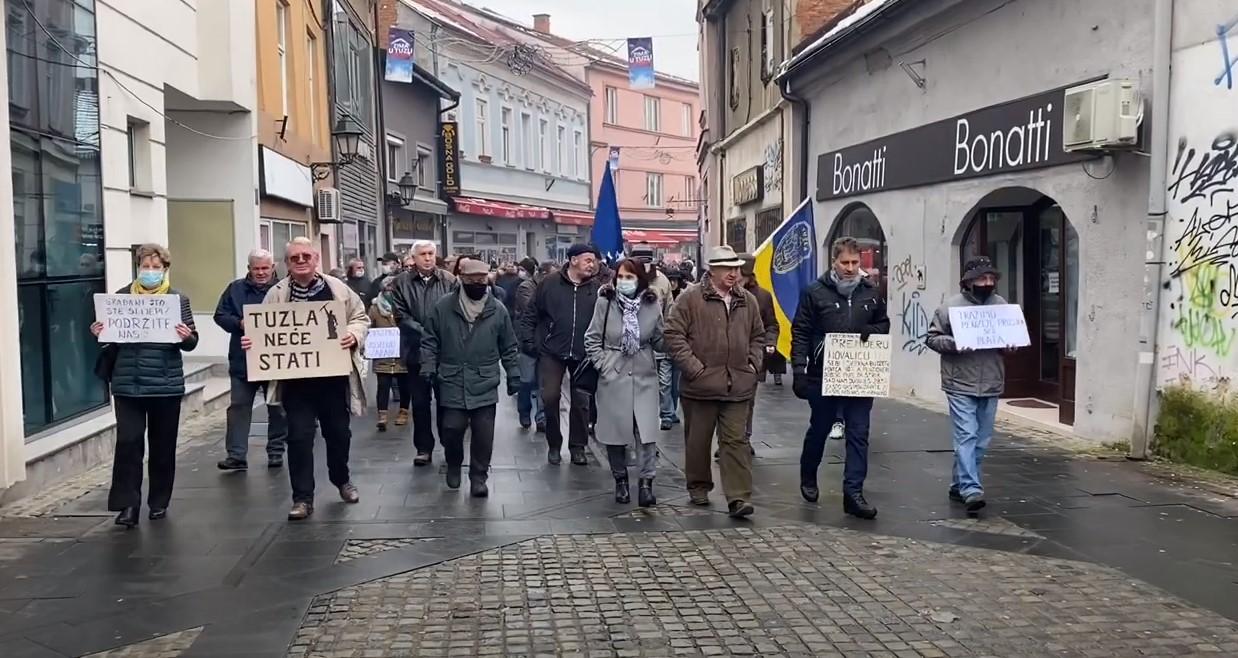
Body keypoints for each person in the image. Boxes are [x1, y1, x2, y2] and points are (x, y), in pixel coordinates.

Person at [244, 237, 370, 521]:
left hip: (333, 379)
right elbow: (263, 331)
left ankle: (342, 479)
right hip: (296, 383)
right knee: (299, 438)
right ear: (286, 264)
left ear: (316, 259)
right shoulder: (276, 294)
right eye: (294, 258)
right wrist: (254, 343)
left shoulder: (338, 289)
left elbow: (360, 317)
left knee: (338, 434)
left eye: (305, 256)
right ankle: (302, 498)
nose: (301, 261)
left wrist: (354, 334)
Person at [91, 243, 198, 528]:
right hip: (128, 385)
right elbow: (109, 338)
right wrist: (99, 332)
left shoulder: (177, 300)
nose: (149, 272)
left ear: (164, 270)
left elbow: (191, 342)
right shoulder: (122, 298)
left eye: (155, 267)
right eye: (145, 266)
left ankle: (159, 501)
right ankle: (127, 505)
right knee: (128, 443)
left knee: (162, 446)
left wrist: (186, 336)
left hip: (165, 385)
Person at [791, 238, 890, 519]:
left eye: (855, 262)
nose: (850, 268)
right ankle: (808, 474)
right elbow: (801, 331)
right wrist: (799, 369)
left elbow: (883, 323)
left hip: (860, 375)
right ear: (834, 261)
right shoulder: (815, 292)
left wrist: (872, 330)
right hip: (823, 374)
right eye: (844, 262)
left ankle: (853, 493)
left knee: (859, 433)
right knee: (820, 428)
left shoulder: (871, 291)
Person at [664, 245, 765, 518]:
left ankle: (738, 498)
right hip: (700, 386)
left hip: (738, 384)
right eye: (727, 268)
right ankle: (698, 487)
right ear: (712, 270)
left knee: (736, 442)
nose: (734, 273)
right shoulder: (690, 299)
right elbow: (673, 335)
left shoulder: (747, 300)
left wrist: (753, 365)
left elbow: (758, 335)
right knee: (698, 441)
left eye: (736, 268)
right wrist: (694, 369)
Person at [420, 258, 520, 497]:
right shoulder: (443, 307)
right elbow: (430, 340)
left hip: (484, 379)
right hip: (452, 378)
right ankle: (453, 463)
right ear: (462, 280)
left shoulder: (497, 310)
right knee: (451, 429)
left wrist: (514, 374)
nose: (478, 284)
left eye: (482, 280)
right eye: (472, 280)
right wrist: (428, 366)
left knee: (483, 435)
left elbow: (509, 345)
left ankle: (478, 477)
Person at [927, 256, 1017, 512]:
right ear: (968, 282)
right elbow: (932, 339)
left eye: (990, 278)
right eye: (981, 278)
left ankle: (959, 484)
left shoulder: (1000, 305)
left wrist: (1009, 345)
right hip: (960, 381)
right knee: (966, 434)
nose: (987, 283)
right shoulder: (949, 308)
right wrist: (955, 343)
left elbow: (1008, 340)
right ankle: (971, 488)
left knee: (982, 439)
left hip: (990, 380)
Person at [585, 259, 664, 507]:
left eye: (629, 277)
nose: (623, 282)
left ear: (639, 279)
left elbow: (660, 340)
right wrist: (603, 365)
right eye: (620, 277)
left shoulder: (652, 304)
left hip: (644, 374)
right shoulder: (605, 302)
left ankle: (646, 484)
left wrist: (673, 337)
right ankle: (620, 481)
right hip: (614, 374)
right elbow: (592, 338)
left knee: (647, 433)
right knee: (615, 432)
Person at [520, 244, 601, 465]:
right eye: (587, 260)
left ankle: (578, 446)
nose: (591, 264)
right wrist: (530, 343)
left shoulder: (596, 289)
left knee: (581, 401)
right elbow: (531, 314)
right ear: (573, 260)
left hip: (584, 354)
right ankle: (554, 443)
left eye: (593, 261)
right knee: (550, 397)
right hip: (552, 352)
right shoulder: (550, 283)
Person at [214, 249, 287, 471]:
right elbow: (220, 315)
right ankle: (236, 455)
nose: (261, 273)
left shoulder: (284, 289)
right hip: (242, 360)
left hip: (275, 360)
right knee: (238, 406)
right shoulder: (234, 289)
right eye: (256, 268)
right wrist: (239, 324)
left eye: (265, 268)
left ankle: (276, 452)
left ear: (272, 267)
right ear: (249, 269)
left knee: (277, 407)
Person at [390, 240, 457, 466]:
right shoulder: (401, 283)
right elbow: (401, 316)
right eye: (422, 254)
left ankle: (448, 445)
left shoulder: (449, 280)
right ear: (413, 258)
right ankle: (423, 448)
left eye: (431, 253)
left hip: (444, 353)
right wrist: (428, 333)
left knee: (445, 402)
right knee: (420, 403)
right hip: (415, 352)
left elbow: (457, 312)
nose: (427, 258)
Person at [629, 244, 678, 432]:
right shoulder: (625, 279)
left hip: (657, 341)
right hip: (630, 346)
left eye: (647, 263)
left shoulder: (662, 281)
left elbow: (669, 310)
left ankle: (666, 414)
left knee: (664, 381)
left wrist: (667, 336)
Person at [739, 253, 779, 445]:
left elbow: (772, 324)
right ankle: (728, 440)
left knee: (748, 400)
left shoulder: (762, 296)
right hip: (724, 358)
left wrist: (770, 342)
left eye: (738, 272)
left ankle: (744, 439)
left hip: (752, 358)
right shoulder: (724, 293)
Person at [512, 260, 553, 431]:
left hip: (545, 344)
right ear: (542, 273)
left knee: (543, 383)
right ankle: (524, 411)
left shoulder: (552, 288)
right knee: (526, 381)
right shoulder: (526, 287)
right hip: (528, 342)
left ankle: (541, 417)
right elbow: (532, 310)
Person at [369, 276, 410, 432]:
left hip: (402, 352)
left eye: (393, 289)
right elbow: (368, 326)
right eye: (387, 289)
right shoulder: (375, 308)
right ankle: (382, 415)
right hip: (383, 352)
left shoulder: (405, 306)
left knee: (404, 384)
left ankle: (403, 411)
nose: (390, 292)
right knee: (383, 384)